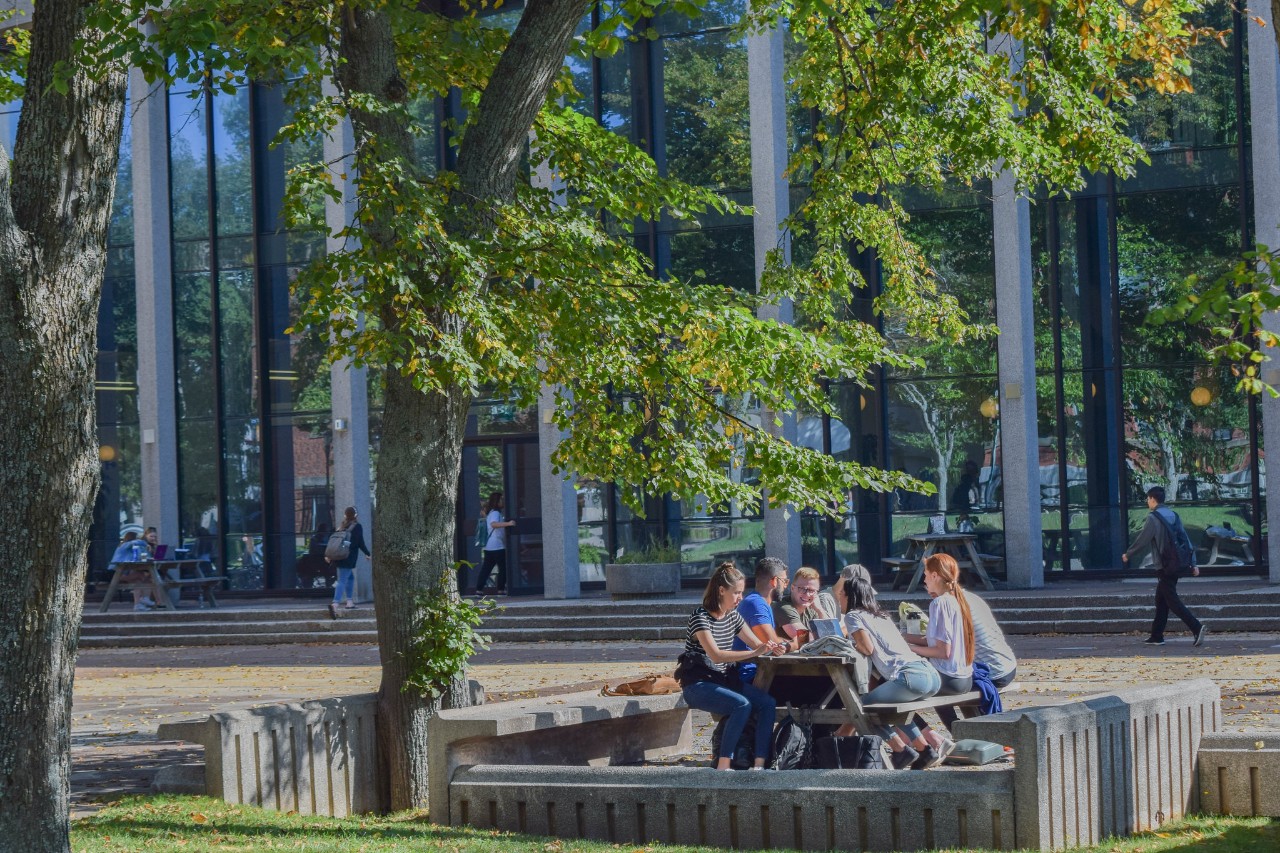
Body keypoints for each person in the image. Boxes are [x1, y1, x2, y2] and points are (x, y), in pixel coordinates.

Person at [679, 562, 786, 770]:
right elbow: (716, 656)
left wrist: (772, 647)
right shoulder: (700, 617)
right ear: (721, 591)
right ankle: (723, 765)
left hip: (724, 680)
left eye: (742, 593)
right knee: (741, 704)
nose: (740, 598)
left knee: (767, 703)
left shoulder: (733, 616)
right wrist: (755, 652)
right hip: (698, 684)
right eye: (736, 593)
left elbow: (757, 644)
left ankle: (759, 765)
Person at [836, 572, 941, 769]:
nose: (839, 597)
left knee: (861, 707)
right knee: (890, 708)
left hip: (910, 677)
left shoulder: (853, 615)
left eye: (842, 594)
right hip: (930, 675)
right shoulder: (882, 615)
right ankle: (924, 750)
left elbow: (867, 648)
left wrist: (848, 644)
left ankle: (900, 750)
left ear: (851, 596)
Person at [902, 553, 975, 767]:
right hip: (963, 677)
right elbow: (934, 640)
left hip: (949, 677)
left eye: (925, 575)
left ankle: (930, 742)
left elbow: (943, 651)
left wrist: (909, 649)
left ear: (935, 576)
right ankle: (953, 741)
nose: (924, 580)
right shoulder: (955, 601)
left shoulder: (939, 604)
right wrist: (905, 637)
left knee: (895, 694)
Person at [1123, 486, 1207, 647]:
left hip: (1164, 564)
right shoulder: (1174, 515)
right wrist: (1193, 563)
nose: (1147, 502)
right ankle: (1157, 635)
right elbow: (1185, 539)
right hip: (1176, 564)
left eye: (1148, 499)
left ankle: (1196, 627)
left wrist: (1128, 554)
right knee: (1161, 600)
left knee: (1172, 600)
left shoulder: (1153, 518)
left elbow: (1143, 539)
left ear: (1153, 499)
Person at [935, 588, 1017, 728]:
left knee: (936, 686)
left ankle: (956, 733)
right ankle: (965, 732)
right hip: (1008, 665)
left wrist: (909, 642)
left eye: (928, 577)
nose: (925, 582)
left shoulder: (948, 604)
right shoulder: (971, 597)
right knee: (952, 681)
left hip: (992, 672)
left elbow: (945, 649)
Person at [732, 557, 790, 684]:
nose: (786, 586)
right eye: (785, 581)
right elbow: (771, 643)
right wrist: (795, 643)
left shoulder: (762, 603)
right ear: (774, 581)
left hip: (763, 671)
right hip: (752, 676)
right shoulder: (756, 603)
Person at [773, 567, 841, 650]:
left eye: (812, 590)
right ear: (792, 588)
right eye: (803, 589)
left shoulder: (812, 609)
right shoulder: (783, 607)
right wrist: (824, 637)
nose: (807, 594)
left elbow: (832, 635)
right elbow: (804, 638)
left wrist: (820, 610)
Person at [329, 506, 371, 618]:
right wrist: (367, 553)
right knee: (342, 579)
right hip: (349, 557)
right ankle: (335, 603)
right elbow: (360, 542)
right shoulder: (357, 527)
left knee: (350, 577)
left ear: (345, 515)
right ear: (355, 515)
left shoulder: (341, 526)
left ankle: (349, 602)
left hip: (339, 557)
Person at [474, 492, 516, 596]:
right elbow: (494, 524)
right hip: (497, 546)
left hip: (489, 546)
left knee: (486, 569)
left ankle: (479, 590)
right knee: (502, 568)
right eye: (501, 500)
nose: (503, 502)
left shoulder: (491, 512)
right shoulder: (495, 513)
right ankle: (501, 590)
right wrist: (509, 523)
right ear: (497, 501)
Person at [108, 531, 162, 611]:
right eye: (137, 538)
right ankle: (145, 599)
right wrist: (144, 543)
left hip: (124, 571)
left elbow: (141, 555)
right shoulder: (124, 546)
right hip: (115, 573)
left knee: (141, 579)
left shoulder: (132, 547)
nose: (138, 539)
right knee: (142, 576)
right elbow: (136, 543)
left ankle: (139, 604)